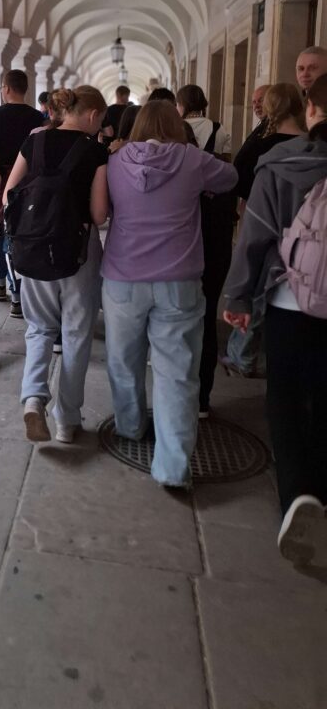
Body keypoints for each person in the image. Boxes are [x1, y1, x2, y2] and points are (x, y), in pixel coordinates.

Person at [102, 101, 237, 488]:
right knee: (177, 373)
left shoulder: (115, 161)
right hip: (178, 280)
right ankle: (173, 467)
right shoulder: (192, 160)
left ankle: (130, 425)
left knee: (123, 360)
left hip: (123, 277)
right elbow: (230, 178)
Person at [223, 73, 327, 571]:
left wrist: (239, 294)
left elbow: (255, 237)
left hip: (290, 301)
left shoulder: (282, 164)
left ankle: (297, 497)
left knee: (284, 398)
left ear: (311, 111)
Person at [3, 87, 109, 443]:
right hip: (78, 251)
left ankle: (34, 398)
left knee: (39, 328)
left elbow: (8, 196)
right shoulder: (95, 151)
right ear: (92, 115)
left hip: (33, 247)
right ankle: (67, 419)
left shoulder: (33, 142)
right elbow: (98, 214)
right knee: (76, 334)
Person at [222, 84, 306, 378]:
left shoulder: (264, 145)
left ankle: (243, 354)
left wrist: (236, 295)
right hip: (308, 241)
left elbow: (239, 174)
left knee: (259, 289)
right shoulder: (314, 146)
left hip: (270, 227)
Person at [176, 84, 234, 416]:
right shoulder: (219, 130)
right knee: (206, 318)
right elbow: (229, 174)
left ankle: (178, 392)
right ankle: (202, 398)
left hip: (184, 244)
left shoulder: (175, 135)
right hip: (213, 240)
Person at [0, 69, 45, 318]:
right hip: (29, 181)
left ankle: (2, 283)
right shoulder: (37, 117)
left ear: (6, 89)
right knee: (21, 230)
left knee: (0, 231)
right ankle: (18, 288)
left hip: (1, 181)